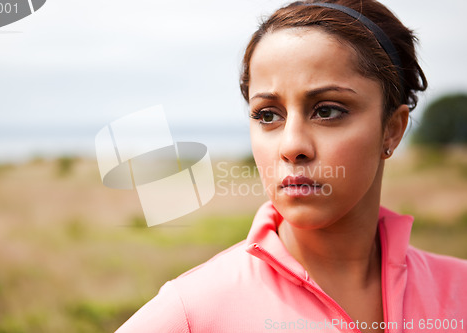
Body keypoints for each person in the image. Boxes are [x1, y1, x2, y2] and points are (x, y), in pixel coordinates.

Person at [116, 1, 467, 332]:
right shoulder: (193, 311)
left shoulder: (459, 293)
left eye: (327, 110)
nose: (291, 146)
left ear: (392, 129)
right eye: (268, 115)